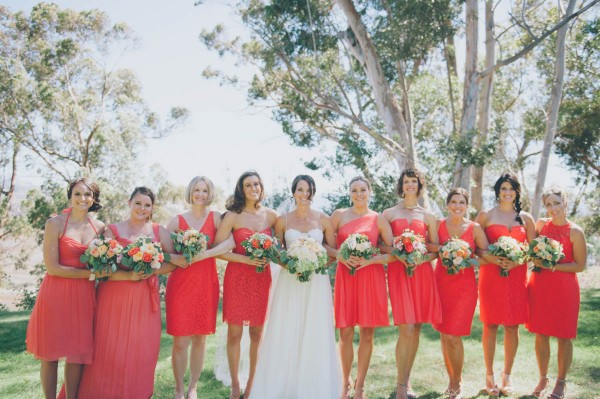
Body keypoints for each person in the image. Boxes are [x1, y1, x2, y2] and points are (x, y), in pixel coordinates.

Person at [76, 186, 175, 399]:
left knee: (141, 352)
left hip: (144, 301)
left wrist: (151, 270)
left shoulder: (159, 231)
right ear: (129, 203)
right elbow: (100, 267)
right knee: (108, 350)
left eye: (147, 205)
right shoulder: (112, 230)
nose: (142, 208)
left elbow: (175, 261)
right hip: (113, 299)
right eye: (138, 203)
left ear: (152, 208)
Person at [249, 175, 342, 399]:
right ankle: (282, 385)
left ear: (313, 192)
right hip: (290, 279)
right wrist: (291, 265)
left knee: (314, 328)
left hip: (316, 281)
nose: (304, 195)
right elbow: (278, 251)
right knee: (287, 327)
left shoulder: (324, 220)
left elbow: (332, 251)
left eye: (308, 190)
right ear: (293, 192)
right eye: (300, 190)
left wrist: (315, 264)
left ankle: (313, 387)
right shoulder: (283, 221)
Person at [26, 178, 106, 399]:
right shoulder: (55, 224)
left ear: (94, 198)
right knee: (50, 354)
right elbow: (53, 268)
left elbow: (107, 259)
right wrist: (91, 275)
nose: (83, 198)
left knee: (77, 354)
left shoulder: (99, 228)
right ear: (70, 196)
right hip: (55, 295)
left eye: (88, 194)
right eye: (78, 194)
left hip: (83, 297)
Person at [165, 176, 234, 399]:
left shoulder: (215, 218)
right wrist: (175, 258)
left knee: (200, 338)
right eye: (197, 190)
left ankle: (193, 387)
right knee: (180, 341)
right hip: (181, 285)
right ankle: (178, 388)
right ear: (190, 192)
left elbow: (230, 242)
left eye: (205, 190)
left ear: (209, 193)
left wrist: (206, 253)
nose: (201, 194)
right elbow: (162, 251)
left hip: (206, 284)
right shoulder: (176, 221)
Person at [213, 171, 277, 399]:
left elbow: (279, 250)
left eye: (256, 184)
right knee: (234, 332)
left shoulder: (271, 216)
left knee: (257, 333)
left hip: (261, 278)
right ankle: (235, 385)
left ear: (261, 187)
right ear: (241, 189)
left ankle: (252, 384)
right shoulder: (233, 215)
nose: (253, 188)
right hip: (237, 277)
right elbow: (218, 250)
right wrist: (245, 259)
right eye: (248, 185)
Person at [382, 167, 441, 399]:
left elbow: (434, 249)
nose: (410, 185)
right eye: (406, 181)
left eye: (414, 181)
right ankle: (399, 386)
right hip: (399, 273)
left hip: (421, 273)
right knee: (405, 327)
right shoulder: (388, 214)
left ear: (419, 185)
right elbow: (382, 245)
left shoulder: (428, 216)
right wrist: (399, 253)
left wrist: (420, 258)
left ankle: (407, 383)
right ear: (401, 185)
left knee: (415, 327)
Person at [476, 172, 535, 396]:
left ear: (517, 192)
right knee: (490, 324)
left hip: (517, 277)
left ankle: (507, 377)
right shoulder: (486, 215)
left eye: (511, 189)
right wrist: (494, 258)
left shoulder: (526, 218)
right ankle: (489, 377)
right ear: (498, 191)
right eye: (503, 189)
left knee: (512, 325)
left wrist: (518, 259)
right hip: (491, 276)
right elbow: (477, 246)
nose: (507, 193)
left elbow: (533, 250)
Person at [332, 176, 391, 399]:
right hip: (346, 276)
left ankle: (360, 386)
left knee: (367, 333)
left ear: (369, 191)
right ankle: (345, 383)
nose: (359, 194)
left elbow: (392, 252)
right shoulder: (338, 216)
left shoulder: (378, 219)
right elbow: (327, 245)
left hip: (370, 278)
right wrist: (340, 255)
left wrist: (371, 259)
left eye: (363, 190)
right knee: (345, 333)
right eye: (354, 190)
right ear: (349, 193)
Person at [432, 188, 494, 399]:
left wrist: (466, 261)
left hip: (464, 288)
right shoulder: (439, 225)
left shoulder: (474, 229)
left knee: (453, 336)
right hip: (440, 284)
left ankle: (457, 382)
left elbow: (486, 258)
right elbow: (431, 248)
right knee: (443, 335)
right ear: (447, 204)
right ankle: (450, 380)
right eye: (453, 202)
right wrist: (443, 250)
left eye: (461, 202)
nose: (457, 206)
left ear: (466, 206)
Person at [526, 187, 587, 399]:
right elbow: (531, 252)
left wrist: (552, 265)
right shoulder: (541, 225)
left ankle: (561, 382)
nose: (553, 208)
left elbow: (580, 265)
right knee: (541, 334)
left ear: (565, 203)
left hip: (565, 289)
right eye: (549, 204)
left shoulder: (576, 231)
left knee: (564, 336)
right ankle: (543, 378)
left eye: (556, 203)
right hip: (541, 287)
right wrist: (537, 260)